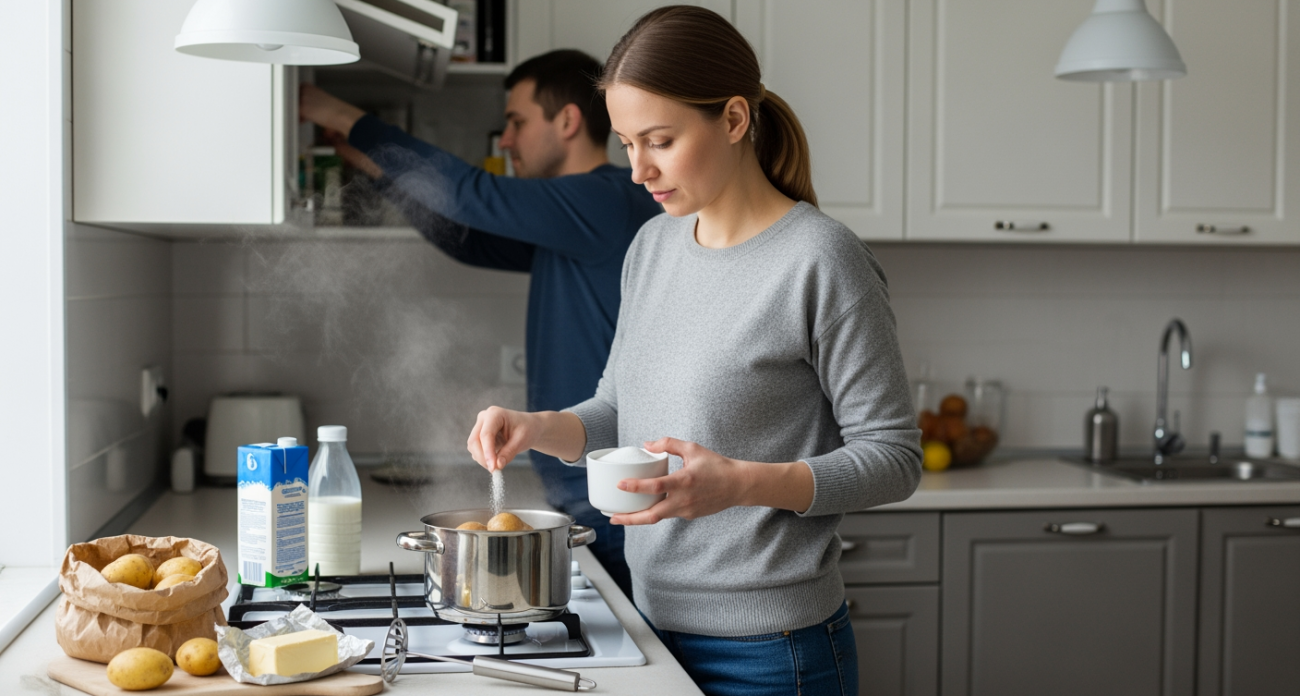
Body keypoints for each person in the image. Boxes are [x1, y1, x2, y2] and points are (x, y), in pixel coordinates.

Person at [464, 7, 922, 696]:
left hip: (774, 653)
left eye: (660, 140)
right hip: (649, 631)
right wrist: (537, 427)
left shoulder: (820, 260)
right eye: (625, 143)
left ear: (733, 120)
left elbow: (893, 458)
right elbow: (618, 409)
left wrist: (741, 483)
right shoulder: (653, 248)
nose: (638, 168)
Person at [298, 50, 662, 601]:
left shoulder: (605, 199)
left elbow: (471, 194)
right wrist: (379, 171)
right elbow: (465, 237)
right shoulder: (574, 222)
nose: (507, 141)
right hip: (587, 493)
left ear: (566, 121)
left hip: (612, 502)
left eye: (516, 122)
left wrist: (345, 116)